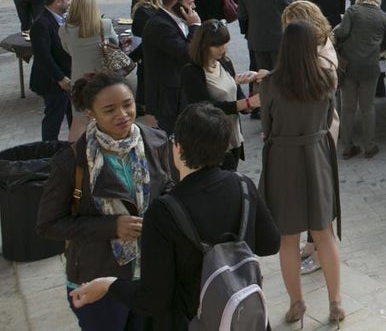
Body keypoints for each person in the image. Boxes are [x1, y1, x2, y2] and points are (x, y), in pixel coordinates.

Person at [67, 103, 279, 328]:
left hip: (192, 321)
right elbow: (270, 244)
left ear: (178, 147)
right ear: (226, 146)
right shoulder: (243, 186)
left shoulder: (163, 212)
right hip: (240, 317)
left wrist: (108, 285)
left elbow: (153, 300)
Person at [37, 72, 174, 331]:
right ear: (91, 113)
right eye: (109, 109)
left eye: (127, 104)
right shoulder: (71, 162)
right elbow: (48, 224)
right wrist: (111, 227)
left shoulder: (155, 140)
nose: (122, 114)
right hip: (96, 276)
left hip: (150, 271)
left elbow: (167, 186)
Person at [260, 20, 343, 325]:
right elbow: (327, 118)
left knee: (288, 238)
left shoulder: (270, 82)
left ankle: (297, 302)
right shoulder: (325, 78)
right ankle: (335, 302)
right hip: (318, 155)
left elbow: (266, 128)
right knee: (324, 234)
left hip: (283, 158)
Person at [180, 19, 255, 170]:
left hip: (233, 136)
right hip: (212, 139)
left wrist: (250, 104)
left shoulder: (225, 62)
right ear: (203, 45)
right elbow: (205, 107)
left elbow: (236, 93)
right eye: (217, 45)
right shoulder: (192, 71)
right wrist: (246, 103)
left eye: (225, 43)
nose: (223, 48)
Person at [333, 0, 386, 160]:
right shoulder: (383, 16)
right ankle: (369, 146)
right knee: (368, 108)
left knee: (347, 107)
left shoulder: (352, 11)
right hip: (370, 66)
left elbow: (342, 33)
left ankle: (347, 146)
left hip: (348, 66)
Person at [143, 0, 202, 133]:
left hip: (178, 91)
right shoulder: (160, 25)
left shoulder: (173, 20)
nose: (193, 7)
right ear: (175, 4)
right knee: (174, 136)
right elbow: (186, 53)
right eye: (189, 3)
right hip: (168, 96)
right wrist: (194, 26)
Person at [30, 0, 73, 141]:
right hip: (52, 81)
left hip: (66, 77)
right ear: (57, 2)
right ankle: (48, 150)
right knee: (53, 118)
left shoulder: (61, 19)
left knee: (72, 114)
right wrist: (60, 78)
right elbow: (43, 56)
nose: (69, 2)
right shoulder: (41, 23)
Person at [60, 0, 118, 83]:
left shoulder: (64, 30)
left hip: (79, 77)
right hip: (103, 76)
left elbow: (67, 49)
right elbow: (115, 43)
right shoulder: (105, 24)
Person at [129, 0, 162, 121]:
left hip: (148, 59)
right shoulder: (159, 9)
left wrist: (130, 58)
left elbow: (146, 41)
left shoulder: (142, 12)